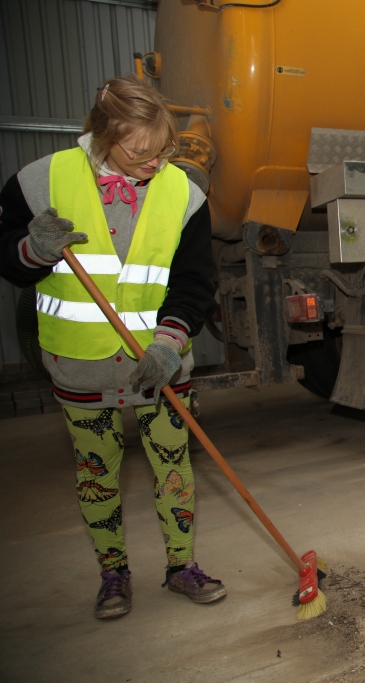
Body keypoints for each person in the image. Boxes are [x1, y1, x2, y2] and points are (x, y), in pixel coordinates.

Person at [0, 76, 225, 619]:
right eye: (140, 152)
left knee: (175, 469)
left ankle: (181, 567)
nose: (154, 162)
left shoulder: (183, 192)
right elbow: (7, 259)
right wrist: (34, 249)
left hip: (161, 366)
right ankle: (114, 575)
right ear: (102, 136)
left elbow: (195, 281)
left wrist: (171, 341)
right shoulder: (40, 182)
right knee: (97, 475)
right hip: (81, 368)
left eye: (164, 148)